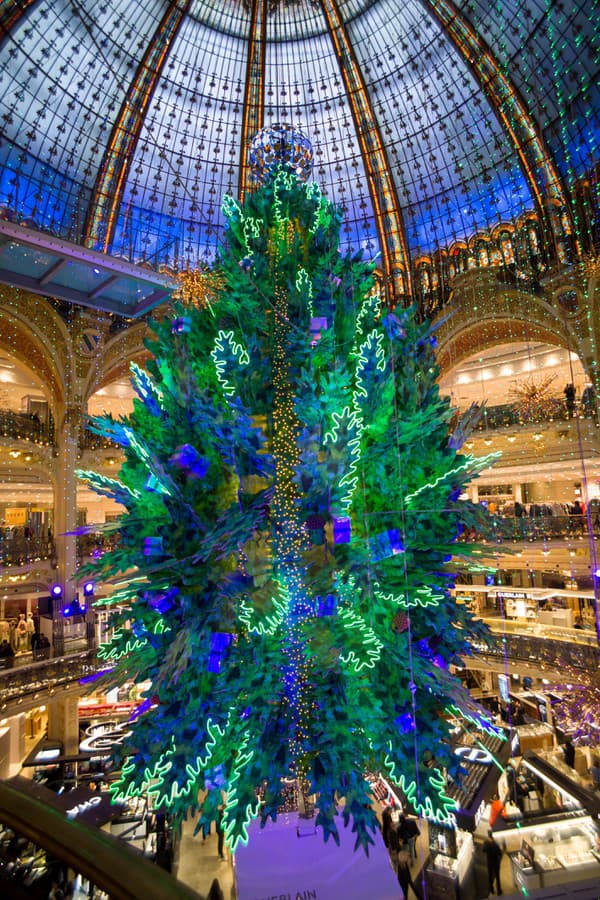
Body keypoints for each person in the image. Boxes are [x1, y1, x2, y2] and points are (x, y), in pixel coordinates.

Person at [482, 829, 503, 896]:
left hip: (489, 862)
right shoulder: (496, 844)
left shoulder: (486, 843)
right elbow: (500, 853)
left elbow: (483, 850)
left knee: (490, 876)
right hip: (496, 862)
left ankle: (491, 889)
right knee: (497, 876)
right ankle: (499, 890)